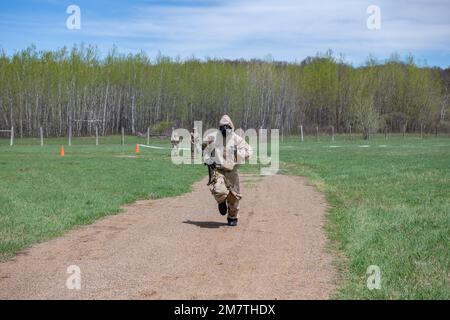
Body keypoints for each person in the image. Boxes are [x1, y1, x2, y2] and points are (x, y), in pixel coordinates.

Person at [203, 115, 252, 226]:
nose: (224, 129)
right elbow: (204, 148)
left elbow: (249, 151)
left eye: (227, 126)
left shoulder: (237, 139)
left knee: (233, 197)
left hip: (232, 172)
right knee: (219, 190)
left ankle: (232, 217)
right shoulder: (213, 137)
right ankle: (221, 202)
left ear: (231, 126)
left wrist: (237, 153)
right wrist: (208, 159)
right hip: (218, 170)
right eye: (222, 127)